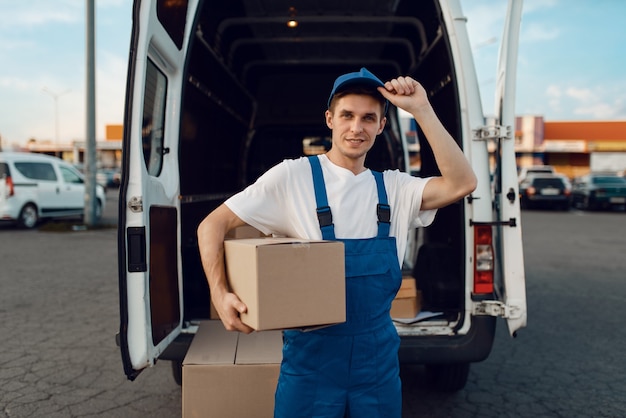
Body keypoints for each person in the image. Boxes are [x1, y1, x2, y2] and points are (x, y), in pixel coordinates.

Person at [197, 67, 477, 418]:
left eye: (368, 118)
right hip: (310, 365)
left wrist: (421, 109)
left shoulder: (396, 188)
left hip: (377, 365)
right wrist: (219, 294)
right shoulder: (292, 176)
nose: (356, 127)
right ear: (330, 119)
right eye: (347, 115)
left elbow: (462, 183)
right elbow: (212, 225)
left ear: (381, 126)